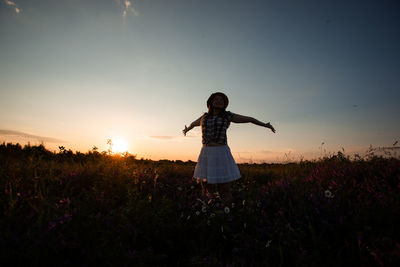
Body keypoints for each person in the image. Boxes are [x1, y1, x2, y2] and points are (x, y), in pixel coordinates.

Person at [183, 92, 276, 203]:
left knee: (225, 187)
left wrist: (265, 125)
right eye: (216, 99)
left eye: (222, 100)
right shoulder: (204, 117)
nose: (219, 101)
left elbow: (250, 119)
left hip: (221, 152)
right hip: (206, 153)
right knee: (207, 186)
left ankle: (226, 211)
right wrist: (187, 129)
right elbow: (193, 124)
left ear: (225, 104)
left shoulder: (227, 115)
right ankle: (209, 209)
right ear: (211, 102)